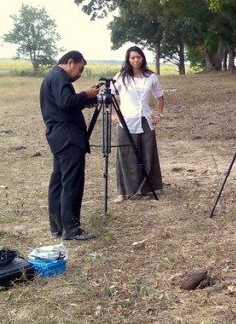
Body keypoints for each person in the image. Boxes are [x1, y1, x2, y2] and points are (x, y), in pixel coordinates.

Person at [40, 51, 101, 241]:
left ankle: (57, 226)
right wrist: (86, 94)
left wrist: (84, 101)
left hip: (59, 137)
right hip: (68, 138)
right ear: (70, 62)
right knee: (71, 182)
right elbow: (66, 102)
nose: (80, 74)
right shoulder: (59, 77)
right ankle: (71, 229)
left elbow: (63, 106)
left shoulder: (53, 76)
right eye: (80, 69)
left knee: (59, 181)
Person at [112, 45, 165, 201]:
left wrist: (159, 115)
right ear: (128, 60)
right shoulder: (121, 77)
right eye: (132, 57)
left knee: (147, 153)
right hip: (126, 121)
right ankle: (124, 191)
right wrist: (112, 114)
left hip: (145, 120)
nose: (136, 60)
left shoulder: (151, 77)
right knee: (126, 154)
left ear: (143, 58)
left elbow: (160, 97)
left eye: (138, 57)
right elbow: (109, 94)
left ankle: (146, 189)